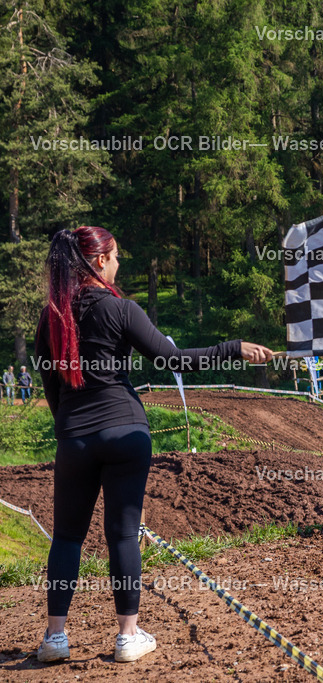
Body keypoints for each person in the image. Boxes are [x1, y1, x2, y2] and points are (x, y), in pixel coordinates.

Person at [33, 226, 273, 665]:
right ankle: (127, 637)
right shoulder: (122, 310)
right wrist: (233, 348)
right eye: (117, 255)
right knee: (122, 533)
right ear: (99, 261)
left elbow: (52, 386)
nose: (120, 263)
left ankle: (55, 638)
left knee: (66, 536)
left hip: (75, 438)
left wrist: (70, 428)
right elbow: (175, 359)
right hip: (127, 432)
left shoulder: (52, 317)